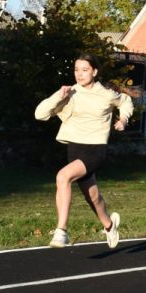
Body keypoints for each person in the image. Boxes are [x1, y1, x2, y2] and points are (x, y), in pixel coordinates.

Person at [34, 53, 134, 249]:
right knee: (92, 196)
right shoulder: (69, 92)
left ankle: (61, 231)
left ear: (94, 72)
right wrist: (58, 96)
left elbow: (125, 101)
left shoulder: (106, 94)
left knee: (63, 177)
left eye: (85, 70)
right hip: (75, 149)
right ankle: (110, 225)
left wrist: (123, 120)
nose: (79, 74)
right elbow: (40, 114)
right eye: (76, 70)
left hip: (95, 149)